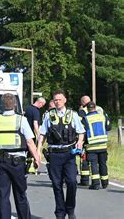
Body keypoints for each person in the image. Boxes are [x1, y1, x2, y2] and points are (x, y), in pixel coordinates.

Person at [0, 93, 40, 219]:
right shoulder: (21, 120)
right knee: (20, 195)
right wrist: (36, 158)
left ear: (2, 105)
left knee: (3, 196)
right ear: (15, 104)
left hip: (0, 162)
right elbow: (30, 142)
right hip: (18, 163)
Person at [37, 90, 85, 219]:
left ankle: (70, 209)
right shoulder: (48, 115)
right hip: (54, 154)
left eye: (59, 99)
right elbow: (42, 134)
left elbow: (81, 131)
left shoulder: (73, 115)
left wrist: (80, 142)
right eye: (55, 100)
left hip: (69, 153)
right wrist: (38, 152)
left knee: (72, 182)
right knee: (56, 184)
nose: (57, 102)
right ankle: (60, 213)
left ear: (65, 100)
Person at [78, 95, 110, 186]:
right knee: (103, 163)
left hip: (91, 145)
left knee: (94, 164)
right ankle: (105, 183)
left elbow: (82, 131)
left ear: (87, 109)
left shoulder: (86, 118)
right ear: (95, 108)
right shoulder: (102, 116)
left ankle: (95, 184)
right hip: (103, 145)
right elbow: (108, 127)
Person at [24, 97, 46, 174]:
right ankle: (30, 167)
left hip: (24, 133)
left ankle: (25, 166)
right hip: (31, 134)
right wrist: (38, 134)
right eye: (42, 105)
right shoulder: (36, 111)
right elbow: (35, 124)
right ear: (40, 103)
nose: (42, 106)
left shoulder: (28, 108)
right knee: (31, 150)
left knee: (25, 150)